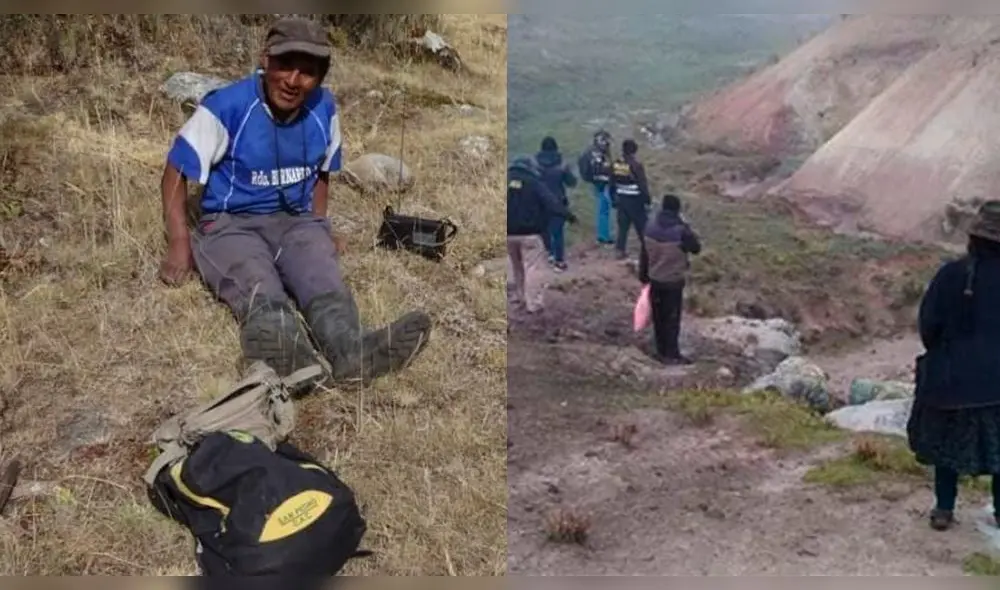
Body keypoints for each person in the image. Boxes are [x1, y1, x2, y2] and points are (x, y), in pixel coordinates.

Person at [157, 17, 432, 384]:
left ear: (320, 76)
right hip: (230, 224)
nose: (293, 80)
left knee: (317, 270)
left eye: (308, 72)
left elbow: (323, 170)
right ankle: (287, 357)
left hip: (295, 222)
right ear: (265, 60)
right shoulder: (226, 107)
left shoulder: (323, 109)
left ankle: (351, 351)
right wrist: (179, 242)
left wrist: (320, 225)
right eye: (285, 65)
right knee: (256, 281)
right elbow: (177, 169)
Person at [907, 200, 1000, 531]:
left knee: (947, 450)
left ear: (974, 238)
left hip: (950, 381)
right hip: (997, 387)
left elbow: (928, 326)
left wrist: (945, 355)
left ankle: (944, 509)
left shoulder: (950, 275)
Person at [638, 194, 701, 365]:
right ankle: (672, 355)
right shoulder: (681, 231)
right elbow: (696, 248)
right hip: (673, 281)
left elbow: (644, 255)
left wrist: (643, 277)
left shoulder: (649, 226)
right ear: (677, 210)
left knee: (658, 317)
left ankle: (660, 351)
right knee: (672, 318)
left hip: (654, 279)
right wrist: (686, 225)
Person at [507, 156, 574, 313]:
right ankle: (534, 304)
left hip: (508, 234)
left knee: (517, 266)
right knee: (533, 268)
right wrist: (569, 216)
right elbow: (551, 203)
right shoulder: (533, 183)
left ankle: (520, 297)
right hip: (530, 234)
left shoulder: (505, 181)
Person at [536, 136, 578, 272]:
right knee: (558, 233)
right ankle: (559, 261)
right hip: (558, 202)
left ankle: (549, 253)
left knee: (544, 229)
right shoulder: (561, 164)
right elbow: (572, 183)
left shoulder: (534, 165)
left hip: (540, 202)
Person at [609, 139, 651, 261]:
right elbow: (642, 184)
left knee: (623, 227)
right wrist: (647, 200)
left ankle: (619, 251)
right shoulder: (636, 165)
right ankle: (647, 251)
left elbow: (611, 183)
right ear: (634, 150)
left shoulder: (616, 164)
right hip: (636, 201)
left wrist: (613, 199)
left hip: (621, 200)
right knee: (642, 228)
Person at [577, 130, 615, 247]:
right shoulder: (599, 154)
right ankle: (603, 237)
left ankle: (603, 235)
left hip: (596, 182)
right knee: (604, 209)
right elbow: (603, 169)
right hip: (602, 183)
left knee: (602, 208)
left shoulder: (591, 151)